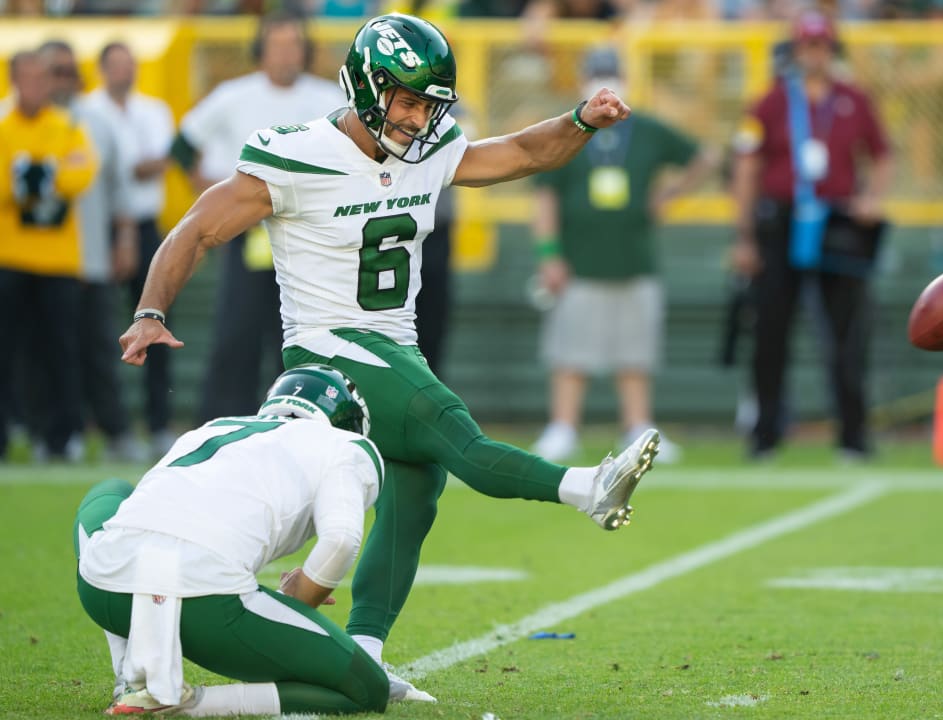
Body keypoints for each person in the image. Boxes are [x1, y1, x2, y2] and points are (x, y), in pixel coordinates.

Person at [118, 13, 660, 702]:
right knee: (448, 425)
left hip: (394, 344)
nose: (418, 117)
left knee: (416, 490)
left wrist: (579, 120)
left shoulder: (428, 149)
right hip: (327, 348)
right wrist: (149, 310)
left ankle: (366, 653)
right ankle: (587, 488)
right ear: (368, 88)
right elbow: (198, 229)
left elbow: (522, 153)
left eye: (430, 103)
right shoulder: (299, 153)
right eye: (407, 100)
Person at [75, 365, 391, 716]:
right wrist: (301, 597)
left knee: (110, 492)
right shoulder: (347, 446)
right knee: (368, 688)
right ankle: (189, 704)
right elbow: (341, 542)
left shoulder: (215, 427)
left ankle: (129, 677)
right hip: (206, 600)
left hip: (103, 585)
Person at [530, 46, 719, 463]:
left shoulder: (647, 129)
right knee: (570, 353)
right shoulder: (567, 132)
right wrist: (549, 254)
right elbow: (545, 199)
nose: (604, 84)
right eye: (596, 76)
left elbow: (704, 157)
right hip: (579, 260)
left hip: (634, 259)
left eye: (611, 75)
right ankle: (563, 426)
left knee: (635, 354)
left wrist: (669, 196)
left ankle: (637, 426)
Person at [730, 11, 892, 462]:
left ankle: (854, 437)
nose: (814, 53)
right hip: (781, 221)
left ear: (831, 50)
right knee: (770, 331)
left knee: (847, 333)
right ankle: (765, 436)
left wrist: (872, 199)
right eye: (807, 45)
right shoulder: (771, 102)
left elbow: (882, 155)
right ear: (796, 50)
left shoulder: (854, 100)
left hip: (836, 222)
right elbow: (747, 167)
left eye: (821, 45)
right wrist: (743, 235)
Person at [169, 11, 345, 423]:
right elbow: (182, 145)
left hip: (308, 239)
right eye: (278, 45)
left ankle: (301, 419)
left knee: (301, 335)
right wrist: (212, 191)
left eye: (294, 45)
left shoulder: (327, 99)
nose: (287, 54)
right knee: (237, 332)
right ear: (261, 51)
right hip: (250, 235)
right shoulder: (234, 95)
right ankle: (223, 421)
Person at [38, 39, 142, 463]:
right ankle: (56, 434)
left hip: (91, 257)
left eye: (68, 71)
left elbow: (119, 188)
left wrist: (126, 240)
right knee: (45, 352)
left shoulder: (96, 124)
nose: (63, 80)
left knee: (100, 349)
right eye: (54, 71)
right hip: (37, 262)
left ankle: (115, 430)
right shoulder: (20, 120)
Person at [0, 50, 97, 462]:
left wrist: (34, 176)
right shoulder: (5, 124)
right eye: (28, 77)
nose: (36, 86)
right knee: (6, 349)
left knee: (59, 349)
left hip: (58, 259)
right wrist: (42, 177)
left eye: (43, 77)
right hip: (10, 255)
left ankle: (62, 435)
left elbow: (83, 171)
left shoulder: (69, 124)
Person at [86, 41, 178, 458]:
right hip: (95, 225)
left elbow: (158, 162)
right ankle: (112, 426)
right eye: (117, 66)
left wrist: (121, 168)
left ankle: (158, 424)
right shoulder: (89, 110)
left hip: (145, 225)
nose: (125, 73)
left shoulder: (153, 110)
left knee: (155, 321)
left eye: (130, 65)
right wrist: (129, 168)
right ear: (103, 69)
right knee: (99, 327)